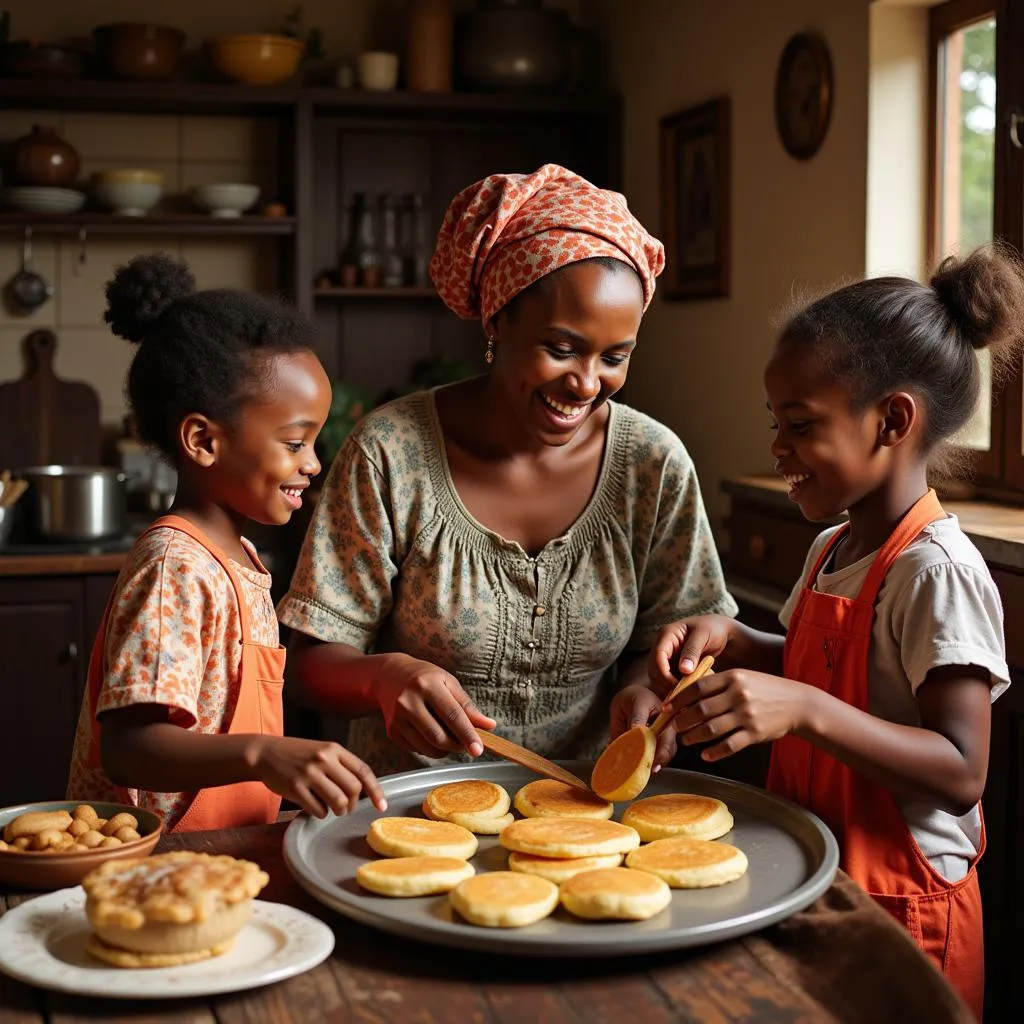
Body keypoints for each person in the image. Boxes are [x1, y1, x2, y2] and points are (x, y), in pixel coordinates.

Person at [651, 246, 1022, 1017]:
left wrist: (802, 710)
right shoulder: (834, 545)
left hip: (905, 914)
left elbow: (962, 768)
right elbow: (834, 668)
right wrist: (737, 640)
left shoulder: (936, 572)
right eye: (774, 423)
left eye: (801, 425)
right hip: (822, 882)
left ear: (891, 420)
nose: (778, 448)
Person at [279, 163, 737, 776]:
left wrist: (645, 694)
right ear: (497, 322)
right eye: (562, 348)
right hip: (412, 817)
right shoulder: (390, 452)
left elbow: (673, 643)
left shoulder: (652, 465)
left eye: (615, 357)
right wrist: (384, 678)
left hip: (590, 814)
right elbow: (305, 664)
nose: (586, 383)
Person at [67, 253, 386, 832]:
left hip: (225, 849)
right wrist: (263, 755)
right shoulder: (176, 567)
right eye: (294, 443)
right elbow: (129, 747)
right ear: (202, 440)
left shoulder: (237, 560)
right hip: (160, 864)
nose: (313, 464)